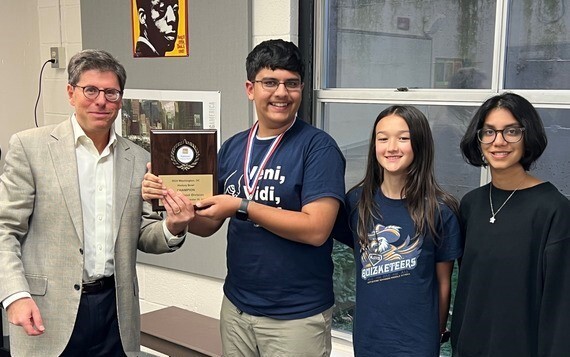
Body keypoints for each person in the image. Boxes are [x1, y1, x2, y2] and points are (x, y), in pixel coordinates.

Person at [143, 39, 346, 356]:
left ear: (301, 89)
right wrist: (172, 205)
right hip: (237, 308)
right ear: (250, 88)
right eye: (270, 82)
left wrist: (242, 206)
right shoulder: (234, 147)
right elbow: (209, 222)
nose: (281, 93)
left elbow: (317, 230)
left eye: (291, 84)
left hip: (296, 317)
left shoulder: (318, 148)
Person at [0, 49, 192, 357]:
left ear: (120, 98)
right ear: (70, 93)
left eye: (111, 93)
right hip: (47, 312)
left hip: (114, 312)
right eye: (90, 90)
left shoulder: (139, 158)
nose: (101, 101)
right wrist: (15, 295)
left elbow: (142, 234)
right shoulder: (30, 147)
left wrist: (174, 225)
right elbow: (5, 229)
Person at [334, 105, 463, 356]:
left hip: (418, 341)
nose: (391, 147)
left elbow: (443, 281)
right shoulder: (357, 202)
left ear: (421, 144)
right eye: (383, 138)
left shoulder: (440, 210)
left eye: (403, 138)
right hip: (369, 338)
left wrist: (437, 331)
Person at [451, 92, 570, 356]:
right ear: (478, 139)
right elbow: (471, 288)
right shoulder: (471, 205)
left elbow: (560, 309)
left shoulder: (554, 210)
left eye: (511, 131)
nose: (499, 142)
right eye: (489, 132)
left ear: (528, 137)